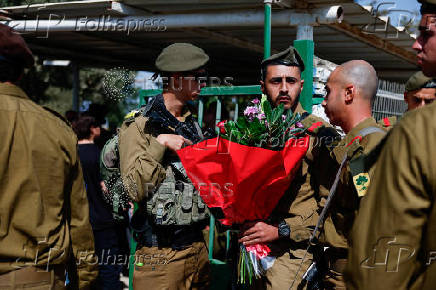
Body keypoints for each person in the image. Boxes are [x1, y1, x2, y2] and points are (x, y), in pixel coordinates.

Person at [345, 1, 436, 289]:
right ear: (406, 99)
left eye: (428, 102)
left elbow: (383, 258)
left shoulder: (411, 134)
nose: (416, 45)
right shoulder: (397, 133)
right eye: (417, 101)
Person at [0, 24, 97, 289]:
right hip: (37, 277)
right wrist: (85, 278)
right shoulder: (56, 129)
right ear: (21, 74)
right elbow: (77, 217)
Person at [239, 46, 340, 289]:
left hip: (292, 254)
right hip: (250, 249)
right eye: (276, 81)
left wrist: (281, 230)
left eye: (291, 81)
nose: (284, 88)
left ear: (301, 85)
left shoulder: (319, 135)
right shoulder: (249, 130)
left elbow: (330, 206)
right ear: (263, 87)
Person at [119, 43, 210, 289]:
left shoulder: (194, 125)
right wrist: (160, 144)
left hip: (197, 250)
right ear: (178, 79)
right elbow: (134, 189)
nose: (204, 83)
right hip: (161, 258)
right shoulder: (140, 125)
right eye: (199, 77)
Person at [312, 60, 387, 289]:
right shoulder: (357, 143)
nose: (324, 101)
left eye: (328, 91)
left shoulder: (366, 148)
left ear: (349, 93)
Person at [73, 116, 124, 290]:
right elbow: (107, 187)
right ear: (92, 129)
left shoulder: (71, 153)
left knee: (81, 265)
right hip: (102, 217)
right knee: (108, 263)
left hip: (78, 219)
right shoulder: (100, 154)